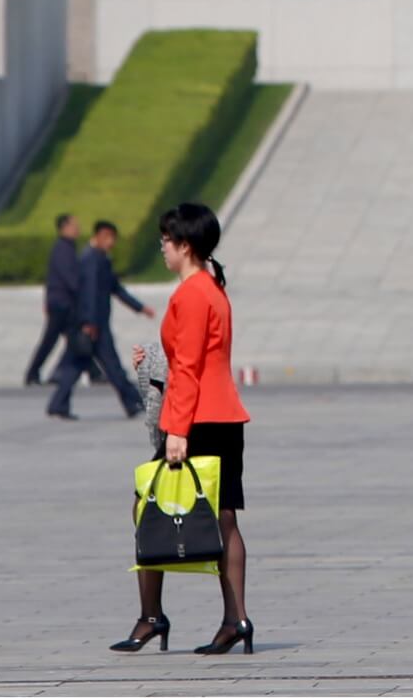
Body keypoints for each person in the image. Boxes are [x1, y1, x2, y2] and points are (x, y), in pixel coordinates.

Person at [110, 203, 254, 658]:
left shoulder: (190, 294)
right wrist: (153, 357)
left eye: (167, 240)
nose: (162, 246)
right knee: (224, 518)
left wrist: (176, 430)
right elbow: (197, 358)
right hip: (224, 417)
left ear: (185, 245)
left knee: (146, 505)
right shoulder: (213, 288)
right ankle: (236, 619)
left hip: (197, 420)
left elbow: (189, 367)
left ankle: (152, 615)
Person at [47, 221, 153, 421]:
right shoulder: (92, 260)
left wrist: (140, 308)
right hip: (94, 324)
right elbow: (88, 293)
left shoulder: (99, 258)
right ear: (103, 235)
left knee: (75, 365)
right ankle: (134, 402)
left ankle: (58, 404)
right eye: (111, 238)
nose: (112, 243)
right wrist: (89, 322)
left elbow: (115, 288)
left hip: (90, 322)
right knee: (112, 366)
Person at [24, 213, 82, 386]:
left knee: (76, 338)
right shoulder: (62, 249)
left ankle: (92, 372)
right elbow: (69, 278)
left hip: (62, 303)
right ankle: (32, 373)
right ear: (64, 228)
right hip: (61, 304)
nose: (77, 228)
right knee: (50, 341)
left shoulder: (67, 247)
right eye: (74, 225)